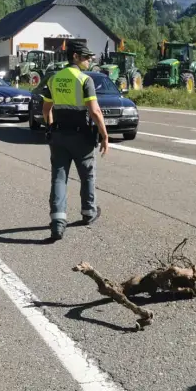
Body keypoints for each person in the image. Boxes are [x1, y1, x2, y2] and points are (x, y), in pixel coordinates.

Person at [41, 39, 110, 240]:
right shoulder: (84, 80)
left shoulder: (53, 79)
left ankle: (57, 223)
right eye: (86, 57)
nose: (89, 60)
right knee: (87, 174)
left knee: (58, 178)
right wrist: (105, 135)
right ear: (75, 57)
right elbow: (95, 111)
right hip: (81, 136)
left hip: (59, 135)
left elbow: (46, 109)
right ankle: (88, 212)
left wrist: (51, 127)